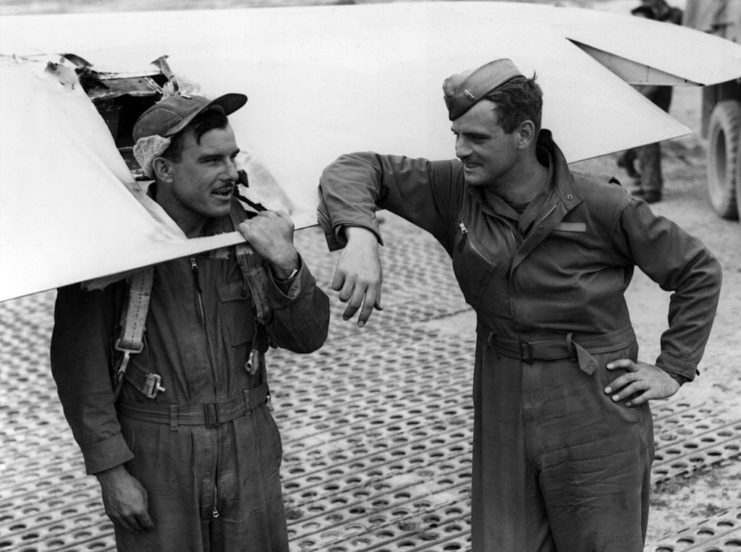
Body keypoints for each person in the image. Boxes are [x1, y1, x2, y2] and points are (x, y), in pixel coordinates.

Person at [317, 58, 721, 551]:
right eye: (456, 135)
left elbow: (698, 271)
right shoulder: (454, 192)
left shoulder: (602, 206)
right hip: (502, 392)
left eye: (477, 138)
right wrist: (360, 233)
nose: (461, 150)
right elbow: (356, 167)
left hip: (594, 402)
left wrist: (673, 368)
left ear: (524, 134)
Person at [50, 92, 330, 551]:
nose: (231, 173)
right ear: (163, 169)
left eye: (232, 157)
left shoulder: (254, 230)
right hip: (157, 452)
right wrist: (111, 472)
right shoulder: (114, 244)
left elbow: (308, 337)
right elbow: (80, 372)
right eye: (211, 160)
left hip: (248, 442)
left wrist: (287, 265)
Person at [616, 0, 683, 203]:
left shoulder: (660, 43)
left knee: (647, 141)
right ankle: (631, 165)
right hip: (639, 98)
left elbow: (661, 77)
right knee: (636, 140)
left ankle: (652, 188)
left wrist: (644, 95)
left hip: (653, 98)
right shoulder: (635, 44)